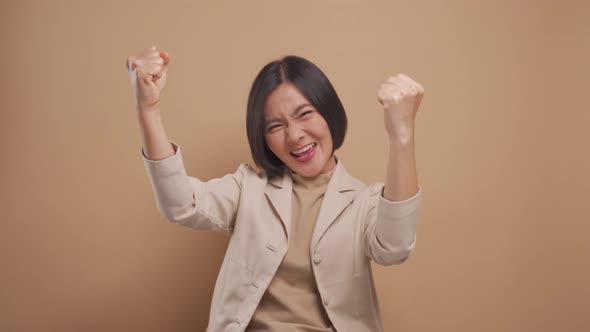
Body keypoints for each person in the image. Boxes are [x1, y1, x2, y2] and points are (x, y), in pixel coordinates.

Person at [126, 45, 423, 332]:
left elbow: (395, 247)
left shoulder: (366, 202)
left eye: (305, 114)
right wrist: (147, 109)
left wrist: (402, 135)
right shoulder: (248, 189)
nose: (294, 135)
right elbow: (181, 204)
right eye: (275, 126)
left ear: (328, 112)